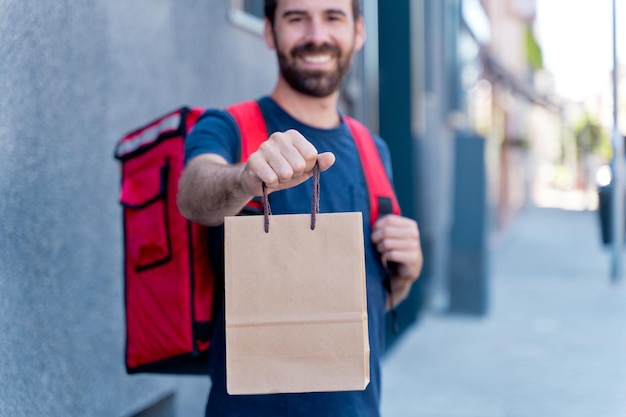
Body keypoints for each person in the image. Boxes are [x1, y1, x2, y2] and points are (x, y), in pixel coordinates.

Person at [177, 0, 423, 415]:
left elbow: (356, 307)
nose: (316, 35)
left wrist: (406, 276)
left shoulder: (373, 150)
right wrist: (243, 179)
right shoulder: (228, 127)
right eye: (296, 18)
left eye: (333, 17)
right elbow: (192, 195)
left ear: (359, 31)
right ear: (269, 32)